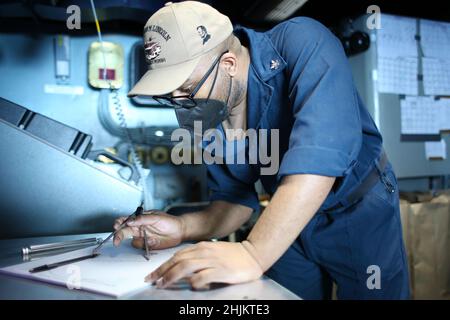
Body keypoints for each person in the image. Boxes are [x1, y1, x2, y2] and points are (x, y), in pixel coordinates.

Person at [117, 1, 410, 299]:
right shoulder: (207, 113)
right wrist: (182, 226)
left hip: (358, 211)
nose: (181, 104)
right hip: (284, 219)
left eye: (186, 89)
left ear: (228, 64)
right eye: (170, 95)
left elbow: (321, 156)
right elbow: (234, 200)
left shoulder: (304, 41)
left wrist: (253, 253)